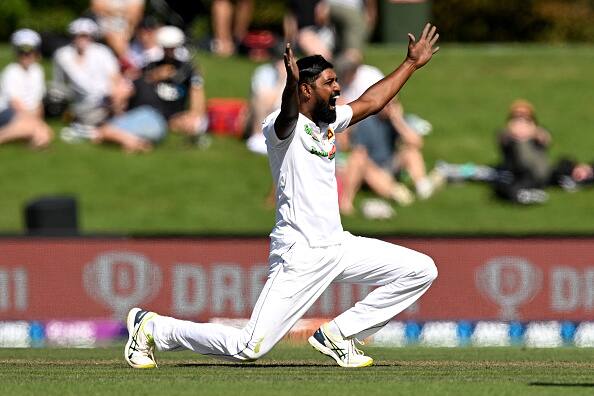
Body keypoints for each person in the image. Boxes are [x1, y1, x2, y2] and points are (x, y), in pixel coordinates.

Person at [125, 24, 439, 368]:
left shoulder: (329, 123)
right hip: (299, 254)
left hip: (336, 246)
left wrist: (410, 64)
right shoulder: (281, 127)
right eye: (329, 83)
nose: (337, 89)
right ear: (305, 89)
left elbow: (372, 102)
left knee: (420, 269)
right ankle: (153, 327)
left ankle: (339, 334)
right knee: (249, 347)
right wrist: (289, 85)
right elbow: (290, 114)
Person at [335, 57, 440, 215]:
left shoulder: (397, 120)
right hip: (373, 168)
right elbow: (354, 149)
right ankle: (352, 202)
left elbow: (417, 143)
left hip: (391, 163)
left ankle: (421, 187)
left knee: (410, 151)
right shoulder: (366, 121)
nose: (390, 107)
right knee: (359, 159)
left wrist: (397, 120)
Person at [95, 25, 208, 152]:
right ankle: (132, 141)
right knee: (102, 133)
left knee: (197, 123)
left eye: (172, 47)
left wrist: (194, 114)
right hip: (149, 113)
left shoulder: (187, 69)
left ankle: (130, 140)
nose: (169, 51)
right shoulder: (150, 65)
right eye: (166, 48)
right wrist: (155, 76)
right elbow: (131, 83)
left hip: (170, 116)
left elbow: (197, 94)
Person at [437, 99, 553, 204]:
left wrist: (529, 134)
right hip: (509, 173)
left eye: (525, 118)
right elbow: (502, 139)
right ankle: (451, 172)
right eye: (516, 118)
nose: (520, 122)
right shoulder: (506, 136)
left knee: (502, 186)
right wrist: (515, 135)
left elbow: (545, 139)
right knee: (483, 173)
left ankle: (527, 195)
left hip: (530, 176)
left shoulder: (539, 135)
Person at [53, 18, 132, 142]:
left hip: (106, 99)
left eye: (85, 36)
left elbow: (115, 76)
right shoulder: (64, 55)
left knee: (123, 88)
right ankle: (106, 130)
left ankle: (112, 127)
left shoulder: (102, 52)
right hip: (83, 105)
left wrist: (116, 93)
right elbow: (64, 84)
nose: (82, 39)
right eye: (78, 36)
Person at [0, 29, 53, 149]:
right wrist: (35, 122)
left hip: (28, 115)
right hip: (8, 112)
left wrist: (37, 120)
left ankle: (25, 136)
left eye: (30, 51)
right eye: (22, 52)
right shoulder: (11, 72)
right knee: (38, 131)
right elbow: (15, 103)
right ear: (16, 52)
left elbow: (38, 103)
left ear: (36, 52)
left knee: (44, 133)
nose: (26, 55)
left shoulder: (38, 71)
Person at [90, 0, 146, 66]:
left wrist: (111, 10)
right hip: (105, 26)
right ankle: (130, 65)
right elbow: (97, 8)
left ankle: (127, 64)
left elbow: (135, 13)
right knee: (116, 37)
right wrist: (123, 11)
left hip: (128, 27)